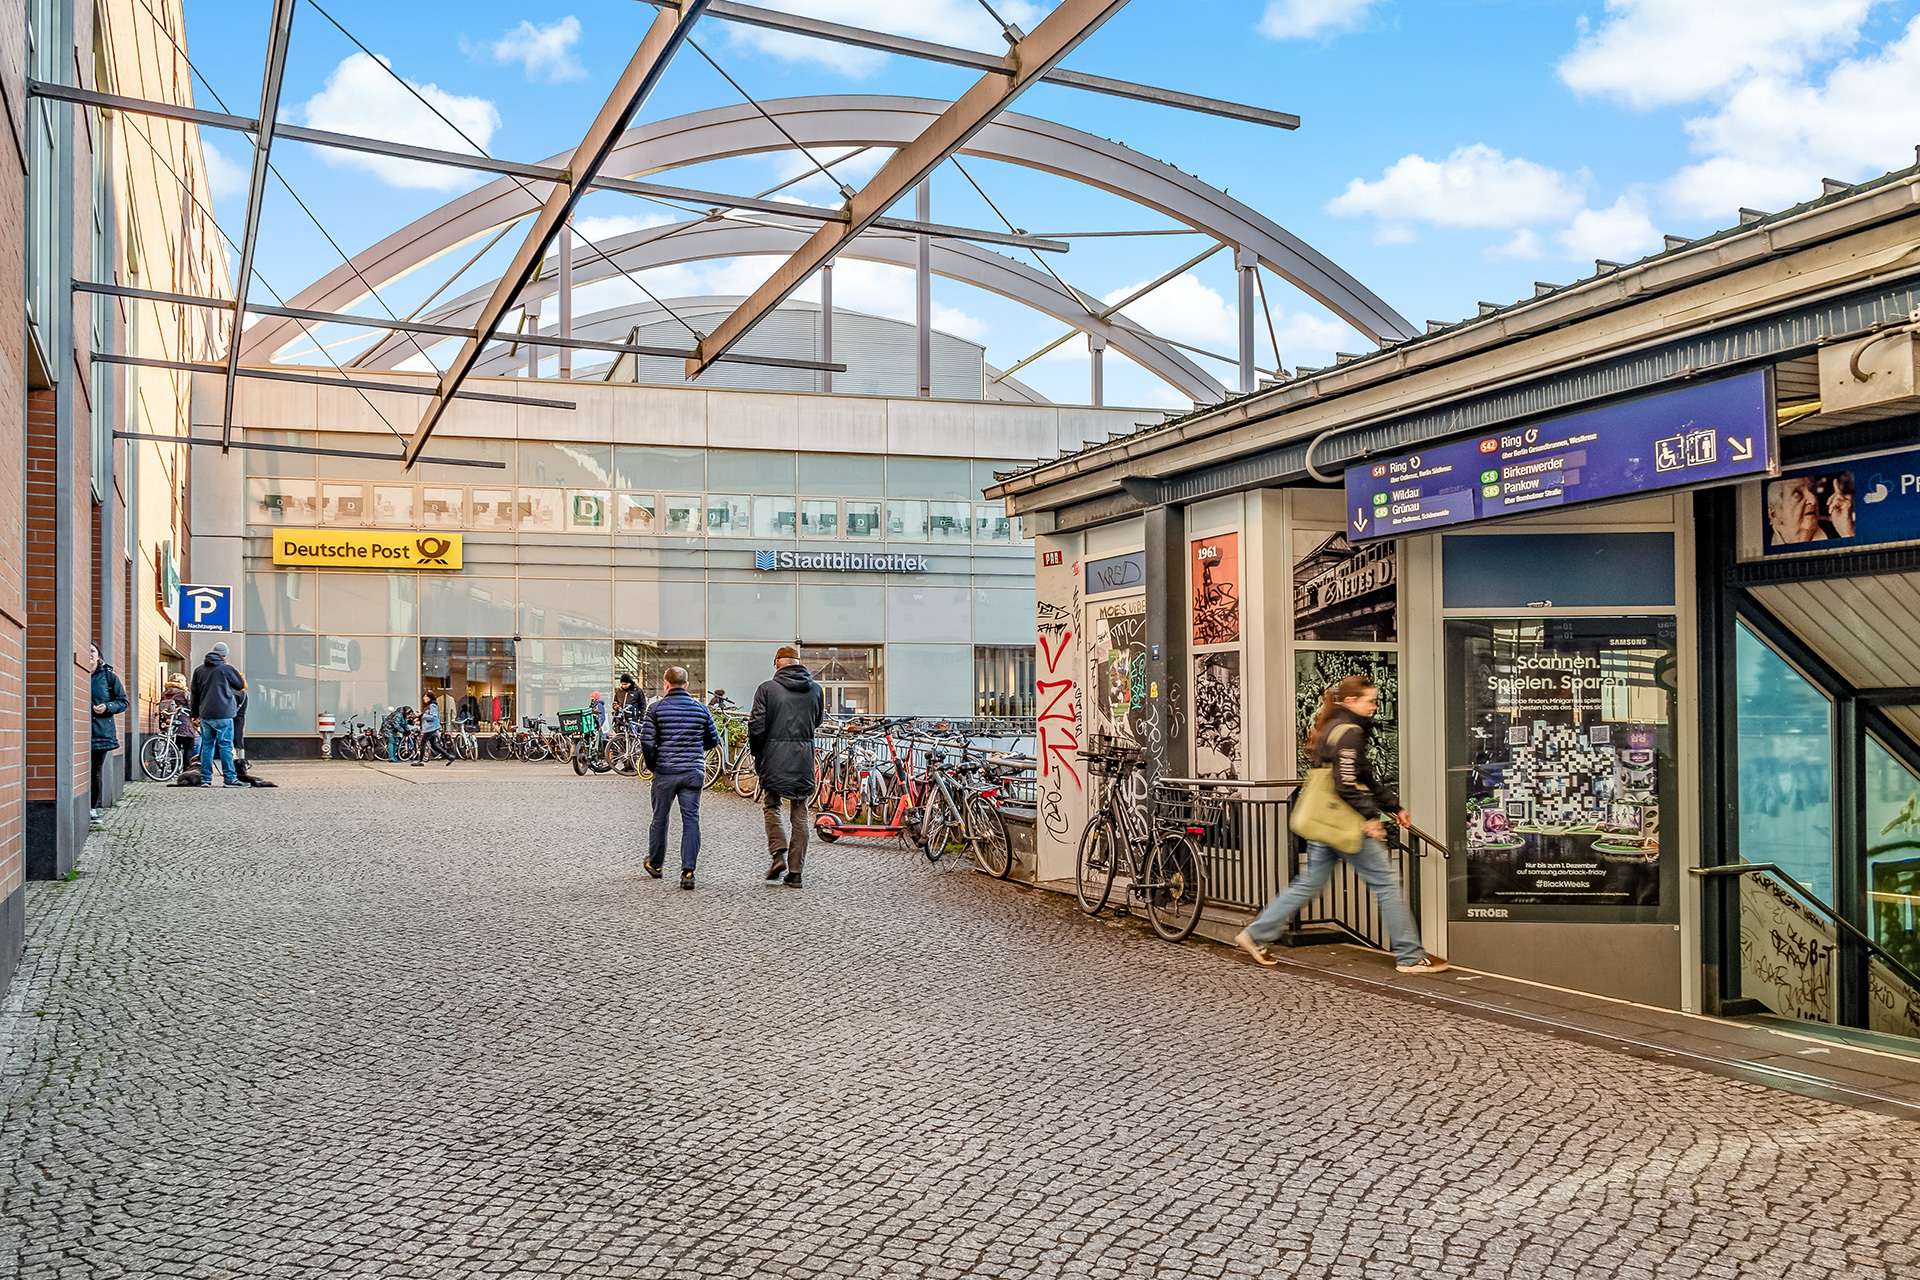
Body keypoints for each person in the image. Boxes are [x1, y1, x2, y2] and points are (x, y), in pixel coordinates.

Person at [1233, 675, 1448, 975]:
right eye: (1370, 700)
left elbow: (1364, 776)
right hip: (1348, 824)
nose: (1375, 706)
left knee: (1309, 883)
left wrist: (1394, 807)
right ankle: (1410, 955)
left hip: (1327, 822)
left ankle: (1255, 934)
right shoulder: (1349, 733)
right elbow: (1347, 783)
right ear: (1351, 701)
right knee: (1386, 885)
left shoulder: (1333, 728)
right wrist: (1372, 818)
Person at [750, 645, 825, 888]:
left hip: (773, 756)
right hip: (803, 756)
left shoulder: (767, 689)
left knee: (771, 804)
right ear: (797, 662)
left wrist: (757, 755)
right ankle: (796, 872)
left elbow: (756, 727)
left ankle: (778, 853)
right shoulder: (815, 690)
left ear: (777, 664)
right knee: (800, 812)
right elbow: (818, 721)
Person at [641, 667, 720, 889]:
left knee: (660, 818)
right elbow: (713, 740)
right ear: (686, 684)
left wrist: (653, 765)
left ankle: (656, 864)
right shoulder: (701, 709)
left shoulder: (656, 709)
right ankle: (688, 871)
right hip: (692, 772)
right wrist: (694, 751)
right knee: (691, 820)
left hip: (664, 772)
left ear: (666, 684)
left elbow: (647, 742)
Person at [189, 640, 246, 788]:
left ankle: (206, 779)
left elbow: (194, 694)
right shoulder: (226, 669)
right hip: (224, 713)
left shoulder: (199, 670)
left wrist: (194, 714)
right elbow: (240, 685)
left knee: (207, 746)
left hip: (205, 714)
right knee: (226, 745)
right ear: (224, 655)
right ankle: (229, 779)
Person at [88, 643, 128, 819]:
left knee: (95, 769)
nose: (89, 654)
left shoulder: (108, 676)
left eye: (92, 651)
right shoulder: (75, 670)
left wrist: (108, 707)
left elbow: (123, 701)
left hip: (100, 731)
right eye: (86, 650)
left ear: (98, 656)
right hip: (79, 732)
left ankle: (92, 807)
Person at [161, 673, 195, 771]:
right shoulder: (184, 693)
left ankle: (173, 769)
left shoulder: (165, 693)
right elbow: (192, 707)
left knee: (174, 746)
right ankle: (187, 768)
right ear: (180, 682)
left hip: (169, 723)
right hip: (184, 723)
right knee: (189, 746)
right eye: (184, 680)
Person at [414, 697, 455, 767]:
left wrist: (422, 715)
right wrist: (419, 717)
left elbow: (433, 716)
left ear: (430, 698)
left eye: (426, 697)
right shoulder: (428, 706)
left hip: (430, 728)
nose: (424, 698)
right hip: (430, 728)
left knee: (422, 743)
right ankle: (449, 757)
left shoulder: (432, 705)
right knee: (434, 745)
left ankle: (420, 761)